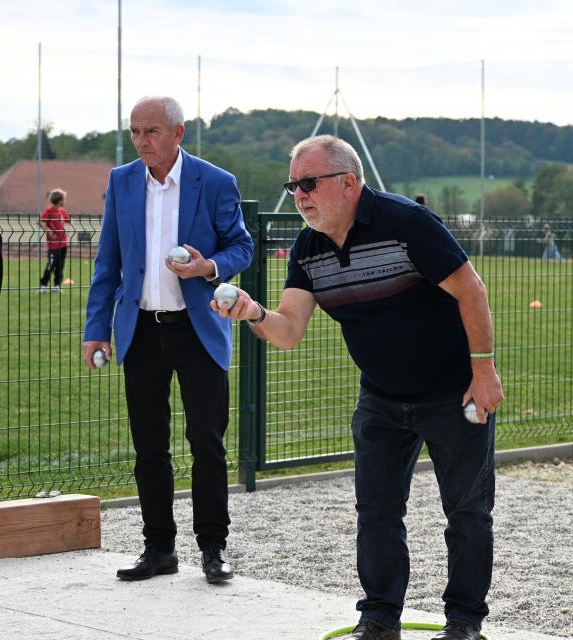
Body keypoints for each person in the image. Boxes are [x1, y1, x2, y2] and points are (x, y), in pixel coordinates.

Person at [216, 135, 503, 640]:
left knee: (467, 512)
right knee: (376, 513)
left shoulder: (406, 222)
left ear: (348, 182)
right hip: (381, 398)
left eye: (309, 183)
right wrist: (253, 312)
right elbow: (289, 330)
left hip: (452, 391)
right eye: (292, 185)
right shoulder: (308, 248)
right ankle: (379, 619)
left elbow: (471, 289)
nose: (299, 195)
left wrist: (483, 371)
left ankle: (463, 622)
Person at [82, 96, 253, 584]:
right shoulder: (122, 180)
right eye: (135, 131)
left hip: (198, 331)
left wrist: (208, 267)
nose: (141, 141)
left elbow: (242, 246)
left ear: (178, 133)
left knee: (207, 442)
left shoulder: (214, 181)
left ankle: (213, 548)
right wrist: (96, 330)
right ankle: (159, 549)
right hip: (140, 331)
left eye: (152, 131)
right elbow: (108, 263)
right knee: (149, 446)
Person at [38, 188, 74, 293]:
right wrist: (49, 231)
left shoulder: (62, 211)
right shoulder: (49, 211)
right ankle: (43, 285)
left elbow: (69, 221)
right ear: (59, 200)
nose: (65, 201)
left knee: (60, 266)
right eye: (64, 199)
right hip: (53, 245)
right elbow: (40, 221)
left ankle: (57, 285)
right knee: (51, 265)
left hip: (63, 244)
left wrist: (70, 228)